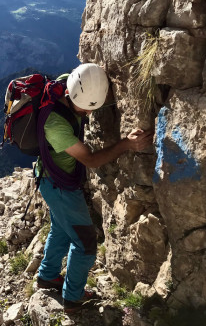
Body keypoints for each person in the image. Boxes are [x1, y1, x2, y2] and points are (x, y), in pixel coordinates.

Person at [34, 63, 153, 313]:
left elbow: (89, 82)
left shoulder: (68, 83)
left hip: (50, 181)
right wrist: (126, 145)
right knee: (86, 242)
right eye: (85, 109)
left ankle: (47, 276)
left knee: (61, 229)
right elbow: (90, 159)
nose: (87, 115)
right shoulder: (55, 127)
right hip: (59, 186)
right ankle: (73, 298)